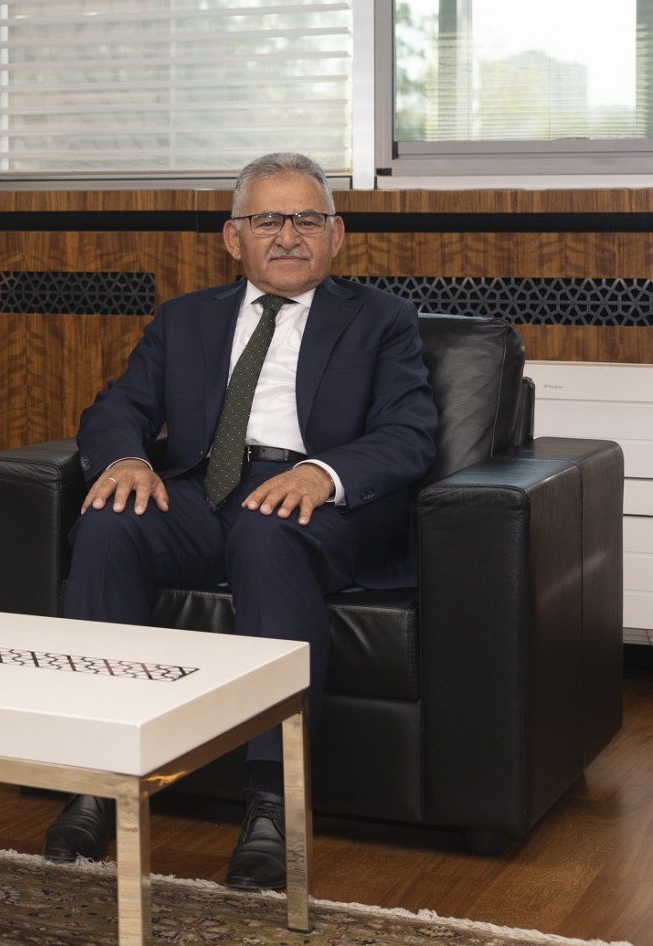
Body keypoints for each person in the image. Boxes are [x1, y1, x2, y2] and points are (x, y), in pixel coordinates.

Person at [43, 152, 437, 890]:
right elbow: (120, 407)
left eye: (307, 219)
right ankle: (96, 779)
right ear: (233, 238)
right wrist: (125, 460)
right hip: (203, 490)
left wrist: (319, 473)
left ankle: (272, 800)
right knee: (111, 520)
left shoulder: (381, 319)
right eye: (267, 220)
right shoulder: (185, 318)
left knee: (267, 530)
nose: (288, 235)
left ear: (336, 235)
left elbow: (408, 433)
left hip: (314, 501)